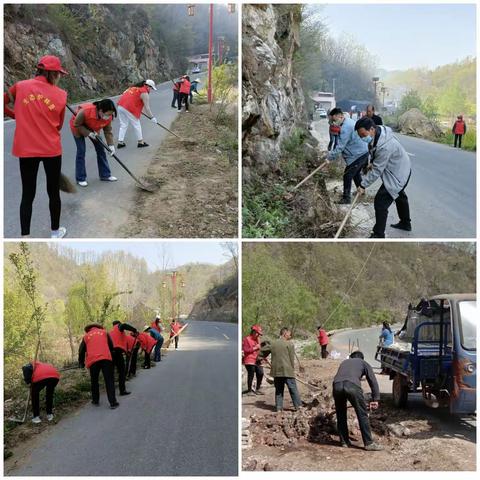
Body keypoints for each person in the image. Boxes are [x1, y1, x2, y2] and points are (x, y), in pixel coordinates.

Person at [5, 55, 68, 238]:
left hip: (27, 149)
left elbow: (3, 103)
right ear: (54, 73)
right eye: (59, 74)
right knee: (53, 192)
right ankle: (55, 233)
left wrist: (17, 114)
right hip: (51, 149)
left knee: (27, 194)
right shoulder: (61, 95)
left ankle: (25, 236)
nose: (59, 77)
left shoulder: (20, 86)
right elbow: (58, 125)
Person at [355, 117, 412, 238]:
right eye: (360, 136)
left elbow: (377, 171)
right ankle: (405, 223)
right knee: (400, 196)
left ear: (371, 129)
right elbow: (374, 153)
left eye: (363, 135)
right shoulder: (378, 133)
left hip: (399, 173)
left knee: (381, 201)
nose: (362, 138)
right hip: (399, 168)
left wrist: (362, 185)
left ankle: (378, 234)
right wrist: (372, 162)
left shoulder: (385, 145)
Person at [332, 350, 383, 451]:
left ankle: (344, 442)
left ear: (351, 357)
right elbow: (373, 381)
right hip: (352, 386)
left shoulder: (344, 362)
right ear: (361, 358)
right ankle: (369, 443)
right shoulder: (364, 363)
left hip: (336, 385)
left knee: (341, 413)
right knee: (362, 414)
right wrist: (376, 399)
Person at [70, 99, 118, 187]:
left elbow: (107, 131)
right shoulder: (85, 111)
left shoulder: (108, 116)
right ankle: (80, 178)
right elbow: (76, 124)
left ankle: (105, 175)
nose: (109, 116)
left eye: (111, 114)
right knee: (81, 151)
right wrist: (89, 133)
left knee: (101, 149)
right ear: (100, 111)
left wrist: (111, 146)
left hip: (94, 128)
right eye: (108, 114)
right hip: (78, 127)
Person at [327, 108, 369, 204]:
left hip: (358, 154)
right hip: (361, 152)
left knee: (347, 174)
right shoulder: (347, 122)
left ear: (340, 116)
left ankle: (346, 198)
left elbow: (340, 147)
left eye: (334, 120)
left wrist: (329, 158)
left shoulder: (346, 127)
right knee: (356, 173)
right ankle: (361, 193)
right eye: (331, 121)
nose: (333, 123)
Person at [260, 327, 302, 412]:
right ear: (284, 333)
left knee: (279, 390)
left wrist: (260, 358)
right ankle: (298, 406)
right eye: (289, 334)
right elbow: (291, 359)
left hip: (276, 371)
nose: (290, 336)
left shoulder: (273, 343)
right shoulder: (289, 344)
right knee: (293, 388)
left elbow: (262, 352)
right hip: (287, 370)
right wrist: (292, 370)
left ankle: (279, 408)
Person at [78, 323, 119, 409]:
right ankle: (113, 403)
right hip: (106, 359)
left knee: (94, 381)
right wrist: (111, 353)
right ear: (99, 328)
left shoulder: (86, 336)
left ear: (88, 329)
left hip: (93, 361)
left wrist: (81, 363)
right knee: (109, 380)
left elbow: (81, 350)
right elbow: (111, 346)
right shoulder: (104, 332)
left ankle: (95, 400)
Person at [117, 79, 157, 148]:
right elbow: (147, 108)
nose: (151, 90)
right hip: (129, 108)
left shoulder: (133, 87)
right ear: (148, 86)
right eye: (151, 88)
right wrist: (152, 117)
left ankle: (120, 142)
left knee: (123, 124)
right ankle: (140, 142)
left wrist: (135, 106)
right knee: (136, 124)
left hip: (120, 106)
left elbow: (126, 95)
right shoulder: (144, 92)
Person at [109, 321, 138, 396]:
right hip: (117, 353)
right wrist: (134, 330)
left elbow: (121, 343)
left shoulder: (111, 332)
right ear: (118, 324)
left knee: (111, 373)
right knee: (122, 371)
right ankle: (122, 390)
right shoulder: (118, 327)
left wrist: (126, 352)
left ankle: (111, 391)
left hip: (110, 353)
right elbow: (124, 325)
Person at [242, 324, 264, 395]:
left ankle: (257, 388)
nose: (258, 335)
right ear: (254, 332)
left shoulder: (258, 340)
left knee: (260, 373)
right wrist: (254, 348)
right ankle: (249, 390)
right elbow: (245, 350)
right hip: (249, 359)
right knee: (251, 374)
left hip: (257, 359)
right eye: (258, 333)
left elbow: (259, 349)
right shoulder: (247, 339)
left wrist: (262, 357)